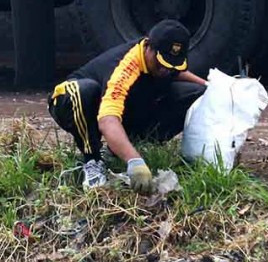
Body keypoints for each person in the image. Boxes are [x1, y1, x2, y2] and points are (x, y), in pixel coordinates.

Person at [49, 20, 207, 193]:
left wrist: (210, 86)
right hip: (74, 103)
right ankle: (92, 160)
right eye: (161, 63)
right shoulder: (125, 68)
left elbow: (178, 72)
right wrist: (134, 162)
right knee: (83, 92)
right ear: (147, 46)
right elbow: (107, 120)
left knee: (195, 93)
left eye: (170, 66)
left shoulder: (166, 63)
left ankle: (129, 145)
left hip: (120, 105)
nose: (165, 70)